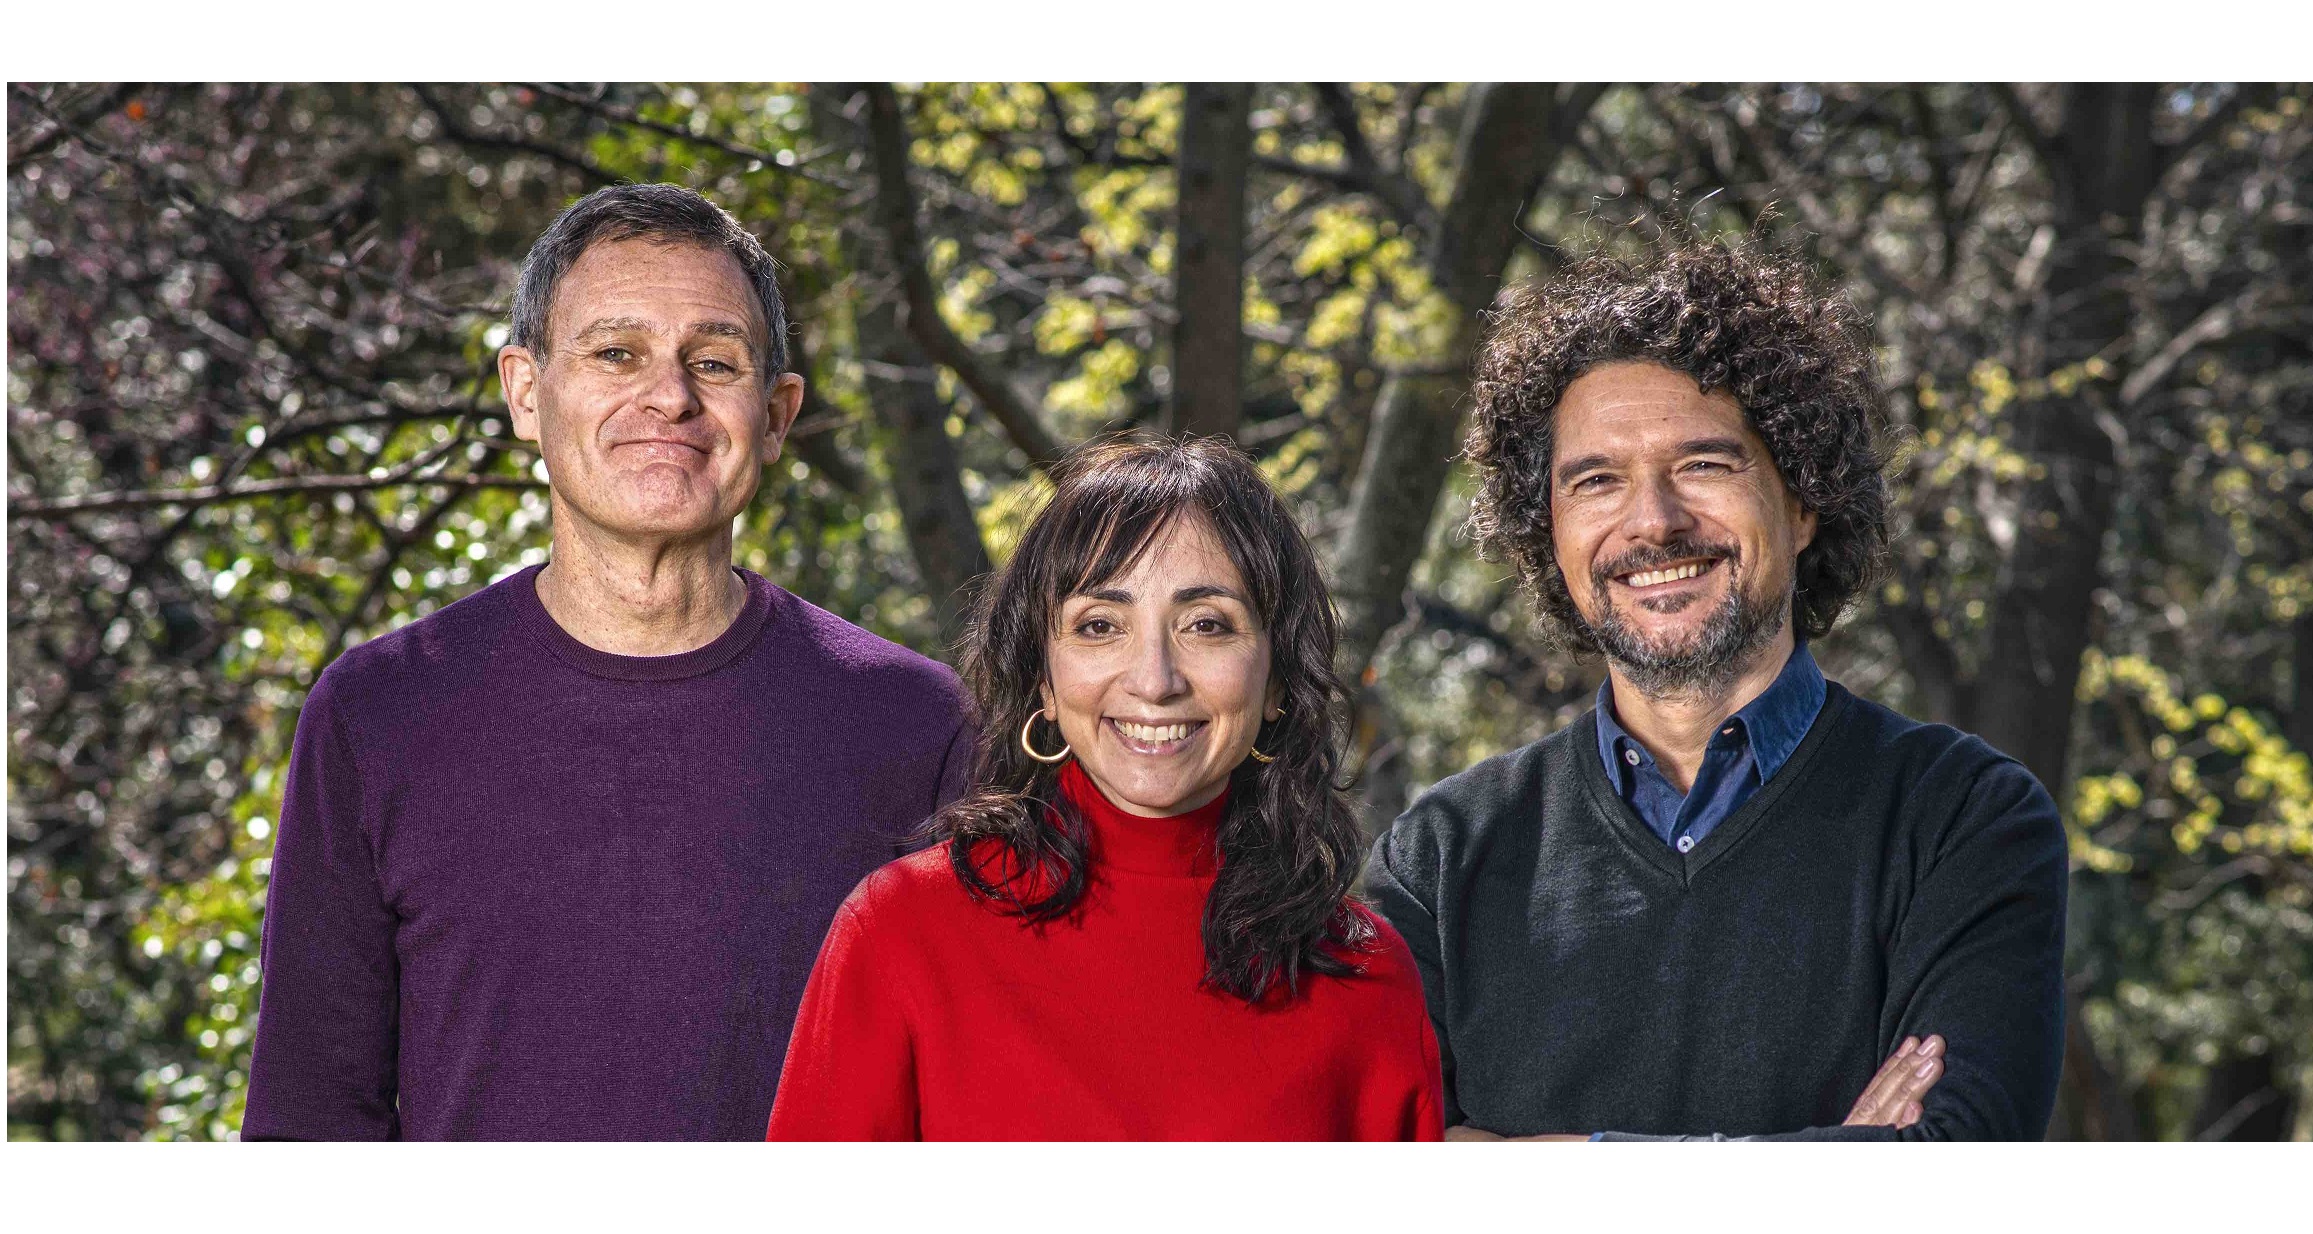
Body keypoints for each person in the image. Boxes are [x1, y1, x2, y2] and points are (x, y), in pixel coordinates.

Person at [241, 184, 971, 1140]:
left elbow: (974, 1115)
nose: (669, 396)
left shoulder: (914, 725)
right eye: (616, 353)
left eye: (713, 361)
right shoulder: (380, 713)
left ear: (779, 412)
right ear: (524, 391)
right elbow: (308, 1127)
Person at [1365, 238, 2068, 1141]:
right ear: (1548, 531)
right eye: (1595, 481)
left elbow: (1946, 1177)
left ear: (1803, 500)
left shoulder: (1963, 820)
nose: (1652, 520)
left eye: (1703, 465)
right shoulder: (1438, 859)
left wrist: (1542, 1163)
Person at [767, 438, 1443, 1140]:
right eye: (1100, 626)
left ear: (1276, 680)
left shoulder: (1366, 976)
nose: (1154, 679)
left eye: (1206, 625)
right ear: (1044, 681)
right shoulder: (901, 933)